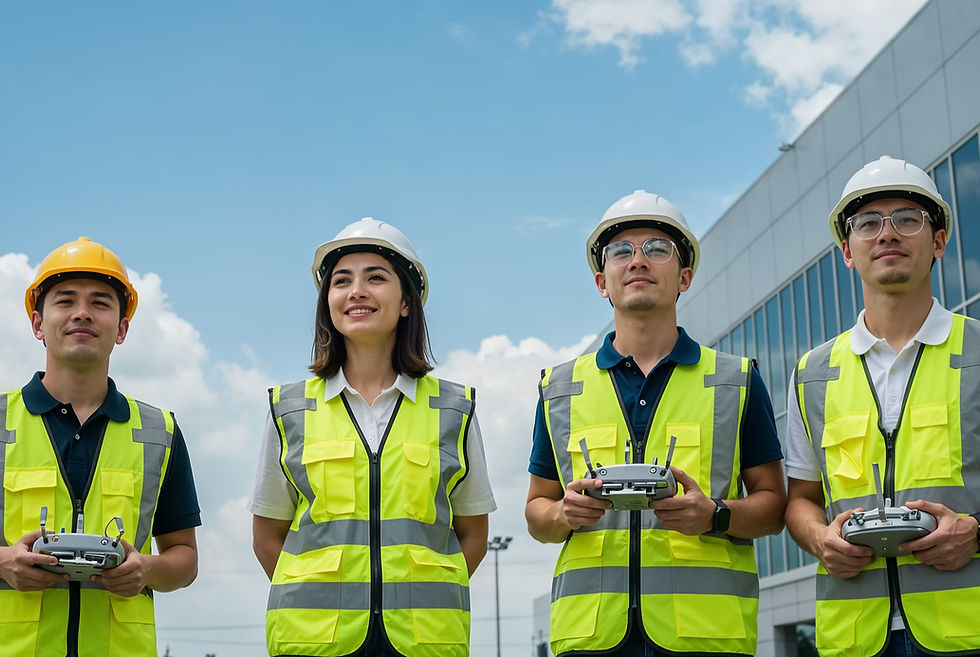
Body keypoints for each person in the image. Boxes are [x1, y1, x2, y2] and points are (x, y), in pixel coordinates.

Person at [524, 190, 786, 657]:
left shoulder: (736, 381)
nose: (638, 261)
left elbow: (773, 507)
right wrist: (562, 515)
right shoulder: (559, 388)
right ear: (602, 281)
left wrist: (716, 515)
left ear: (684, 277)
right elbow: (536, 513)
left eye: (657, 249)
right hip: (591, 638)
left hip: (706, 637)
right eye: (621, 251)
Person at [250, 218, 495, 657]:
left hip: (424, 641)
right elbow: (267, 537)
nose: (357, 291)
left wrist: (422, 598)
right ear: (328, 303)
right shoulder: (287, 408)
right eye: (341, 281)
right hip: (313, 640)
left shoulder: (455, 408)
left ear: (406, 302)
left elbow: (474, 534)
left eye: (376, 278)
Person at [784, 156, 980, 657]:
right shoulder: (813, 372)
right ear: (848, 251)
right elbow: (801, 499)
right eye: (868, 223)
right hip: (855, 635)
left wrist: (979, 533)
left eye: (907, 219)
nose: (887, 234)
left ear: (937, 242)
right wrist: (819, 539)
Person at [0, 237, 201, 657]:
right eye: (65, 300)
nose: (82, 313)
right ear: (38, 323)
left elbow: (184, 560)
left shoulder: (158, 431)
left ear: (122, 328)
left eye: (100, 302)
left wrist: (145, 570)